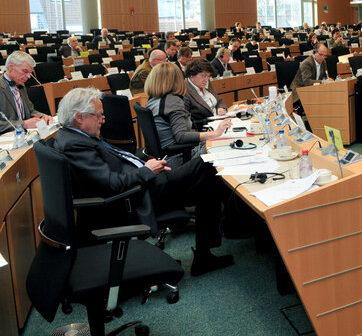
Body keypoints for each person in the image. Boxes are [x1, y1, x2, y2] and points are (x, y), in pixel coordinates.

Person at [53, 86, 234, 276]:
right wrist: (147, 170)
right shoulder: (76, 145)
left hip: (143, 184)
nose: (103, 119)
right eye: (98, 115)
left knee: (207, 183)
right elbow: (111, 184)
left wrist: (146, 166)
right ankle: (231, 227)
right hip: (136, 197)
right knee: (208, 165)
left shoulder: (76, 136)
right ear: (80, 117)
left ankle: (209, 251)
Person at [145, 63, 231, 167]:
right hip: (179, 158)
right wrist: (216, 133)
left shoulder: (152, 99)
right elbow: (181, 136)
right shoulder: (173, 101)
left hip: (163, 157)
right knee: (224, 146)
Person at [0, 51, 55, 134]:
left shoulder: (20, 85)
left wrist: (42, 116)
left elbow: (30, 111)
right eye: (25, 71)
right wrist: (23, 124)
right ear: (11, 67)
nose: (29, 77)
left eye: (30, 73)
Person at [184, 59, 228, 129]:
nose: (206, 79)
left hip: (220, 123)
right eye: (203, 76)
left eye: (208, 76)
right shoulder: (184, 90)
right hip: (204, 130)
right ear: (192, 74)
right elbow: (187, 122)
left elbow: (218, 99)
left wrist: (220, 107)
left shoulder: (206, 82)